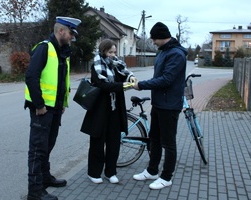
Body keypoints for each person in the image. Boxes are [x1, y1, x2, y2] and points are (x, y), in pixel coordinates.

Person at [24, 16, 81, 200]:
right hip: (42, 109)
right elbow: (31, 77)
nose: (72, 37)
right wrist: (39, 105)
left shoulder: (62, 51)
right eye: (71, 33)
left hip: (55, 109)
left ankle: (45, 178)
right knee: (37, 150)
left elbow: (60, 80)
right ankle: (35, 192)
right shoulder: (44, 48)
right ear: (61, 31)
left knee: (48, 145)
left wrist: (63, 103)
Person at [132, 22, 187, 190]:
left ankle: (166, 177)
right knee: (154, 138)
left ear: (162, 37)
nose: (153, 42)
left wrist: (141, 85)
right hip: (158, 103)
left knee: (168, 142)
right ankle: (152, 171)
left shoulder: (176, 54)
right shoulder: (163, 52)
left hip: (170, 105)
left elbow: (166, 79)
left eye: (154, 39)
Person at [80, 39, 137, 184]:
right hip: (100, 110)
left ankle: (110, 172)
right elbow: (102, 85)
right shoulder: (97, 66)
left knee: (114, 142)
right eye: (110, 52)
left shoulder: (116, 65)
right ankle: (94, 172)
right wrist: (122, 86)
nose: (113, 55)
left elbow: (124, 74)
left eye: (114, 52)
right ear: (103, 51)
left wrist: (130, 77)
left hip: (115, 110)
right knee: (97, 142)